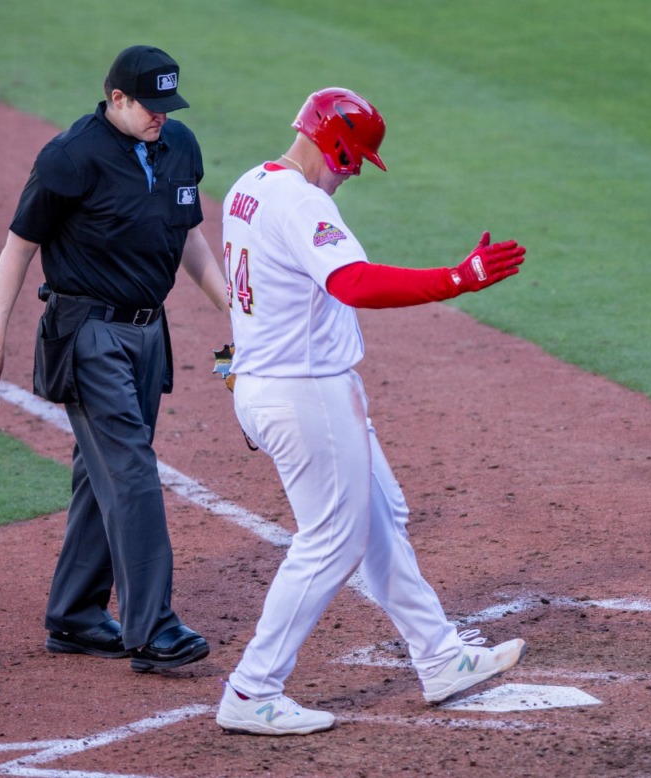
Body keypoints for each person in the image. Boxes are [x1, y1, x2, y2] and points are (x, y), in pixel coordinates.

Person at [214, 87, 528, 735]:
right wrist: (457, 278)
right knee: (331, 539)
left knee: (381, 517)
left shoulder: (250, 184)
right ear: (332, 144)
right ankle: (252, 688)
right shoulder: (301, 201)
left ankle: (440, 656)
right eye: (353, 159)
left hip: (279, 381)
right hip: (303, 391)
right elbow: (351, 282)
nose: (352, 172)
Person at [0, 45, 228, 674]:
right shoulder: (70, 156)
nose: (161, 117)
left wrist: (233, 308)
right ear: (116, 99)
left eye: (169, 106)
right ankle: (153, 629)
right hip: (86, 333)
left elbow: (188, 234)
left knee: (101, 472)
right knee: (133, 470)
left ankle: (78, 616)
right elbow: (18, 248)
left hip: (147, 333)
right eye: (149, 106)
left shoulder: (179, 146)